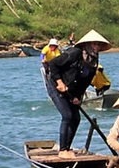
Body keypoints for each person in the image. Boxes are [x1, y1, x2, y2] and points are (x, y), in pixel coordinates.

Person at [47, 29, 112, 159]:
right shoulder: (75, 53)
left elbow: (85, 82)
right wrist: (60, 82)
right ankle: (63, 150)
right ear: (87, 44)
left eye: (99, 45)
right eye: (94, 44)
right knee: (68, 116)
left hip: (72, 91)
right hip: (56, 85)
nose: (97, 47)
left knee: (76, 118)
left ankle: (67, 148)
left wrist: (78, 97)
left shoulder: (94, 60)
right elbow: (53, 64)